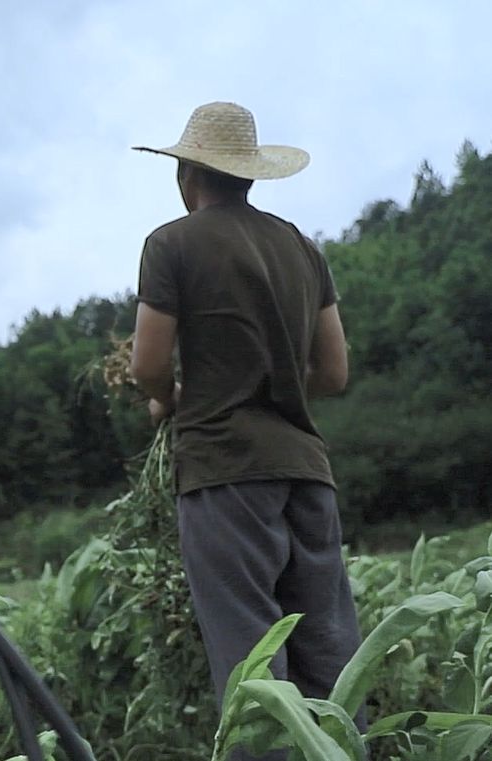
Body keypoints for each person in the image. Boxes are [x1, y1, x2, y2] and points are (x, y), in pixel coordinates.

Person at [128, 102, 363, 761]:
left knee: (253, 666)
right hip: (306, 472)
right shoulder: (301, 246)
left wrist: (166, 400)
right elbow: (334, 371)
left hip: (225, 472)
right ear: (249, 175)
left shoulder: (171, 243)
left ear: (187, 174)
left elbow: (147, 362)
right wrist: (274, 386)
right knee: (331, 656)